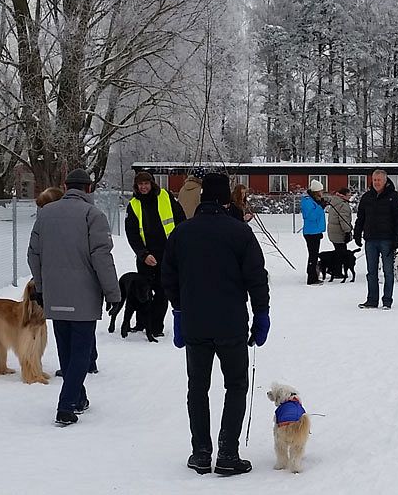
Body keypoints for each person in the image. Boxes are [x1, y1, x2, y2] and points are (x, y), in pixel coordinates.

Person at [161, 172, 271, 476]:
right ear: (225, 199)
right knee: (235, 386)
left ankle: (200, 453)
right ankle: (227, 453)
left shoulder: (182, 234)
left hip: (195, 323)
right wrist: (261, 313)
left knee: (197, 388)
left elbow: (168, 277)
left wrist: (179, 311)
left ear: (201, 198)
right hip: (231, 324)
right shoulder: (239, 232)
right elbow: (256, 277)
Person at [28, 169, 121, 426]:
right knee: (81, 352)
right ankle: (66, 405)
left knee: (67, 351)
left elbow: (33, 254)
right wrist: (113, 293)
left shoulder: (46, 213)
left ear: (66, 186)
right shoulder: (93, 215)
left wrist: (41, 286)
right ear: (89, 189)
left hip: (54, 293)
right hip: (85, 295)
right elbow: (101, 257)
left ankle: (78, 398)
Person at [125, 171, 186, 336]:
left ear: (152, 184)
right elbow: (132, 233)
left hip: (167, 254)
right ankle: (141, 323)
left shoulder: (165, 197)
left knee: (162, 291)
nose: (144, 187)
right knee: (142, 291)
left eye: (146, 183)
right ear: (136, 186)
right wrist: (143, 254)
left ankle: (156, 327)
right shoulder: (133, 205)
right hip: (146, 256)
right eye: (140, 184)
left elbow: (180, 220)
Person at [353, 170, 398, 309]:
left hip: (387, 240)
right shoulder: (366, 197)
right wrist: (357, 233)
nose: (376, 182)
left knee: (388, 272)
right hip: (370, 240)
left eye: (379, 180)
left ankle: (387, 300)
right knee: (371, 272)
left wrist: (397, 239)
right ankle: (372, 300)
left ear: (385, 180)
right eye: (374, 180)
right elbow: (360, 218)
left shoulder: (394, 197)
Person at [300, 180, 327, 285]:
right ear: (316, 192)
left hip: (315, 231)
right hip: (311, 232)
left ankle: (312, 274)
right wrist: (320, 207)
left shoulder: (313, 201)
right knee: (313, 255)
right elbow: (310, 216)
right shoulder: (307, 201)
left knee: (314, 255)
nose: (322, 193)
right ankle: (311, 278)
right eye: (320, 191)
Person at [325, 187, 354, 253]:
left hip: (333, 233)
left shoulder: (335, 201)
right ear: (343, 195)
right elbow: (344, 220)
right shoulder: (343, 205)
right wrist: (348, 231)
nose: (350, 197)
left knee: (338, 253)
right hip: (339, 234)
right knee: (342, 255)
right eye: (348, 195)